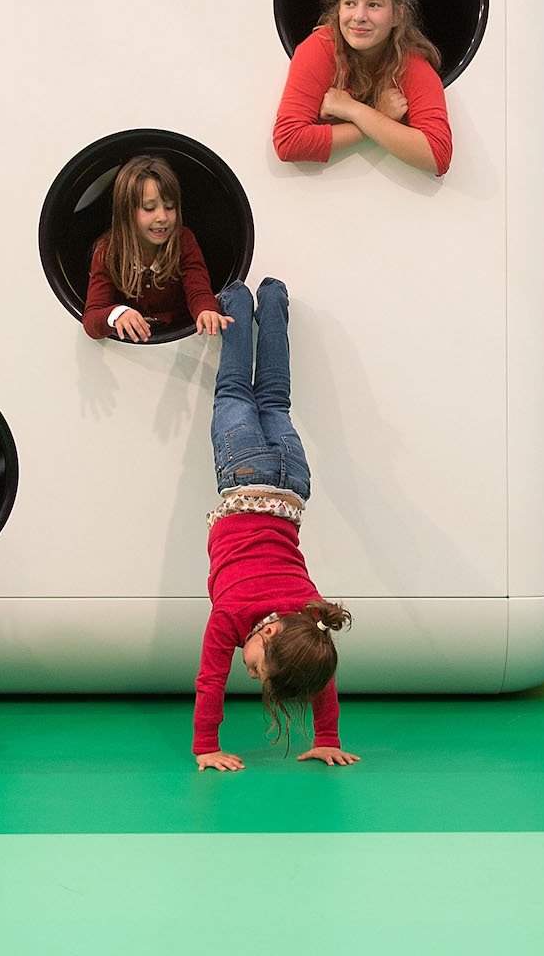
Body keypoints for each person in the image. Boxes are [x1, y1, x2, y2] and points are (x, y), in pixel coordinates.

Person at [192, 276, 358, 772]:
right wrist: (206, 746)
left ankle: (273, 298)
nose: (254, 675)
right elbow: (209, 679)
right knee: (232, 389)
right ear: (266, 637)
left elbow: (320, 673)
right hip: (243, 475)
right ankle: (236, 300)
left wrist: (328, 734)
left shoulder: (310, 617)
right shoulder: (232, 615)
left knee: (275, 398)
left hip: (291, 478)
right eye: (261, 670)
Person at [271, 0, 452, 177]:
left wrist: (354, 110)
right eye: (350, 3)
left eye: (374, 5)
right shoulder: (320, 47)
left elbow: (438, 155)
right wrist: (380, 115)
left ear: (397, 15)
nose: (359, 16)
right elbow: (289, 141)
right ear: (338, 9)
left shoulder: (409, 61)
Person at [81, 154, 233, 342]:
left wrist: (207, 311)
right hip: (131, 350)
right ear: (126, 212)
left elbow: (198, 290)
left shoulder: (183, 240)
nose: (162, 217)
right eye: (149, 208)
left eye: (170, 207)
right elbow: (91, 320)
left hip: (180, 341)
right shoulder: (109, 251)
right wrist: (117, 313)